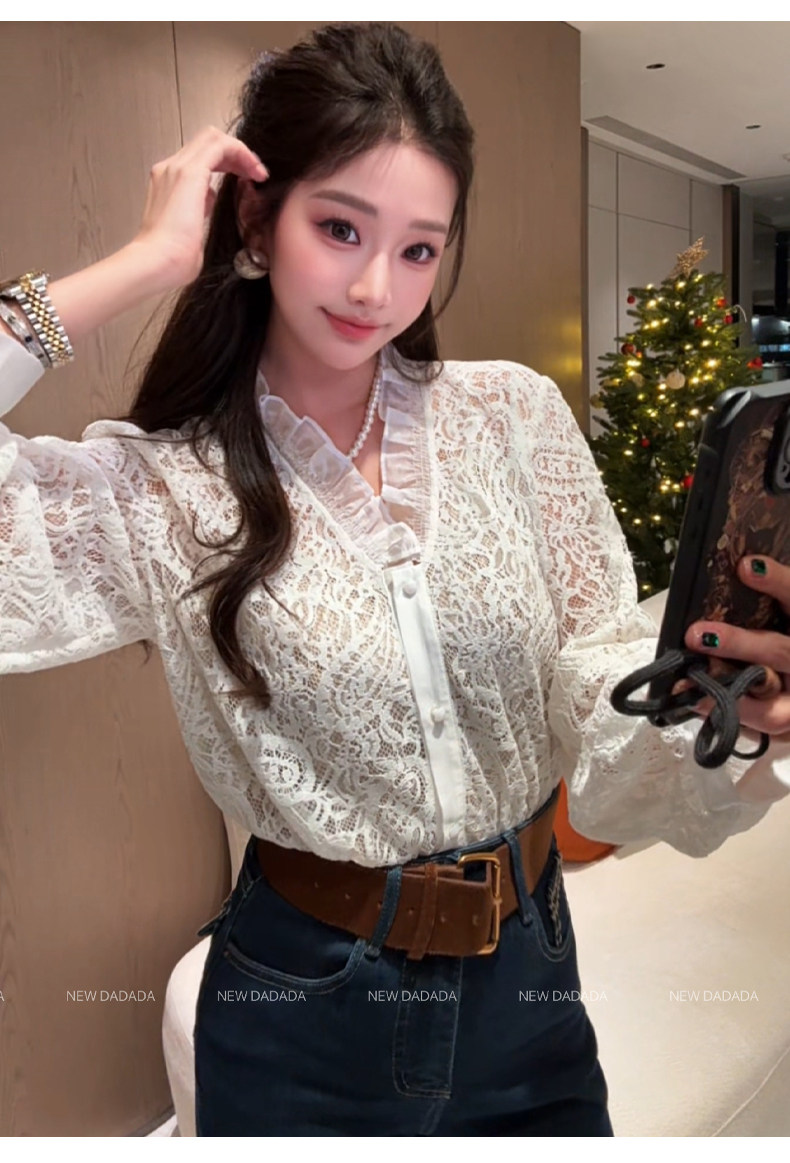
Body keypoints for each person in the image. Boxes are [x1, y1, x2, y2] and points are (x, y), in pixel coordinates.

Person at [2, 21, 790, 1138]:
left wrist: (719, 710)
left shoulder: (512, 415)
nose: (377, 287)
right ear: (255, 221)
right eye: (339, 228)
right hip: (299, 1008)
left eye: (420, 248)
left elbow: (594, 668)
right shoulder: (161, 486)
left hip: (532, 977)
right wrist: (147, 262)